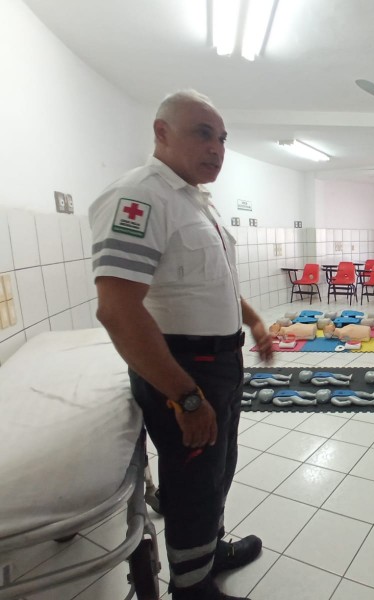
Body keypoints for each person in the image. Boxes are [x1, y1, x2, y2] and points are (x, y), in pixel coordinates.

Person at [89, 90, 273, 600]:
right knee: (193, 479)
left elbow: (210, 283)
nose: (216, 148)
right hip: (182, 368)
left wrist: (254, 321)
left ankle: (209, 550)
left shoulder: (193, 202)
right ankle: (191, 588)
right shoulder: (140, 197)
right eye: (202, 133)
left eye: (221, 138)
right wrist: (185, 396)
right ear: (161, 133)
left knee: (218, 467)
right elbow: (118, 310)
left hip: (219, 361)